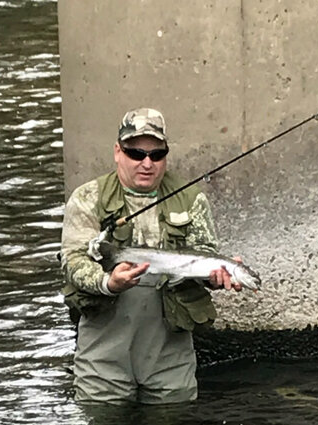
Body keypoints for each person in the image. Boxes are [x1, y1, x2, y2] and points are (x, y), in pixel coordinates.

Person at [61, 107, 239, 404]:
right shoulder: (87, 198)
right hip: (104, 351)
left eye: (157, 155)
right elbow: (72, 261)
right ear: (118, 151)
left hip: (169, 352)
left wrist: (217, 276)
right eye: (136, 153)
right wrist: (108, 282)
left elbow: (205, 253)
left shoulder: (191, 198)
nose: (147, 163)